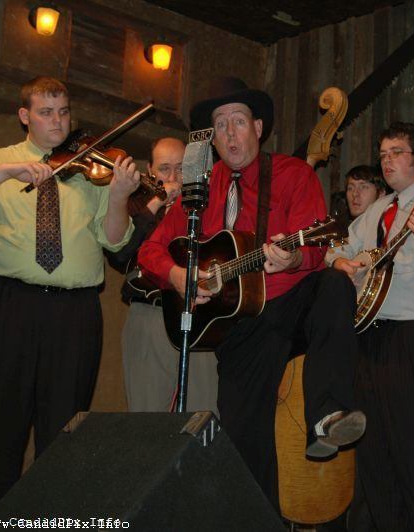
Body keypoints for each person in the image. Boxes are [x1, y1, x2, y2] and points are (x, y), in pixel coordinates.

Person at [137, 77, 365, 508]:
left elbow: (316, 247)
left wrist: (293, 259)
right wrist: (178, 276)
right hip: (239, 327)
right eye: (220, 125)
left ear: (258, 128)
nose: (230, 133)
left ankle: (327, 414)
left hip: (291, 303)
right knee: (244, 449)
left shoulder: (293, 174)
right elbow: (149, 251)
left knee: (334, 284)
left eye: (238, 121)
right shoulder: (198, 191)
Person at [0, 77, 138, 497]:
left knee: (63, 431)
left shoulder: (89, 167)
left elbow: (115, 240)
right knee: (1, 425)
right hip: (11, 305)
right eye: (46, 112)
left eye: (64, 112)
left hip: (75, 311)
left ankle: (49, 516)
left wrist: (119, 195)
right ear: (24, 116)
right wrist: (7, 172)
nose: (58, 121)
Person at [327, 122, 414, 531]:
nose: (387, 161)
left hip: (412, 336)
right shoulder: (377, 209)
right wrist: (342, 262)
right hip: (368, 337)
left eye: (397, 153)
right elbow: (337, 247)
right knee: (375, 450)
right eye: (383, 154)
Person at [106, 137, 219, 413]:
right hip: (150, 313)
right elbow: (121, 256)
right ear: (150, 170)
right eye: (164, 169)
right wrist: (158, 203)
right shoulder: (137, 203)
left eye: (181, 168)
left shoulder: (206, 202)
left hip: (201, 316)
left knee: (203, 412)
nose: (173, 177)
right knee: (147, 417)